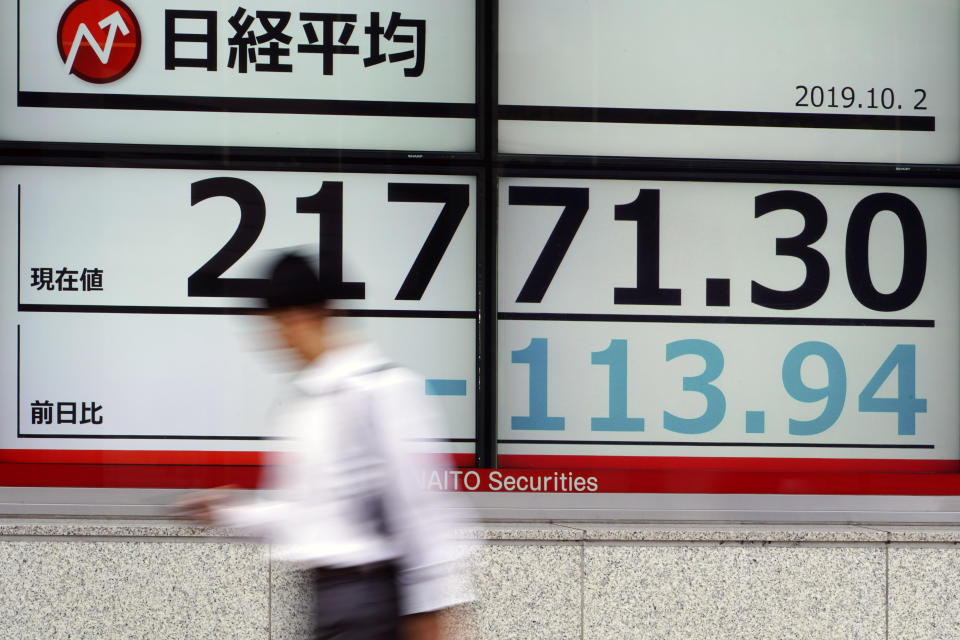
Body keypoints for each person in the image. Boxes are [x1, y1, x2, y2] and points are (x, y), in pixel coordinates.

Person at [177, 252, 470, 640]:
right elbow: (303, 513)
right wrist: (229, 512)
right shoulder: (302, 406)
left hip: (376, 597)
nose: (273, 342)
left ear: (301, 318)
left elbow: (421, 510)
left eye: (275, 327)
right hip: (325, 597)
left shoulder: (384, 390)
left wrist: (431, 609)